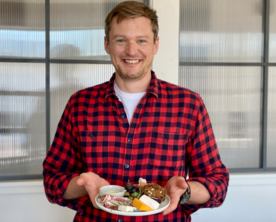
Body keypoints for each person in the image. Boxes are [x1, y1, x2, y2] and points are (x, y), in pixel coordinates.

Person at [43, 1, 229, 222]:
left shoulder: (189, 104)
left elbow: (217, 182)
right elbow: (53, 181)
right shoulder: (80, 104)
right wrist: (83, 185)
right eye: (121, 40)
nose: (131, 50)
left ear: (156, 45)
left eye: (141, 40)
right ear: (107, 45)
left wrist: (186, 191)